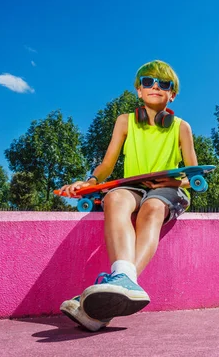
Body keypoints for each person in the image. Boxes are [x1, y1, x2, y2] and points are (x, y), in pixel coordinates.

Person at [58, 60, 198, 331]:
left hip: (167, 189)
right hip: (133, 186)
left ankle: (112, 288)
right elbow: (108, 164)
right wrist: (90, 182)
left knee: (153, 208)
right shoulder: (125, 121)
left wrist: (173, 179)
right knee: (114, 199)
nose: (155, 86)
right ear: (138, 90)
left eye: (164, 84)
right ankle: (121, 280)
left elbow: (192, 177)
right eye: (148, 82)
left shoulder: (181, 127)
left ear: (173, 95)